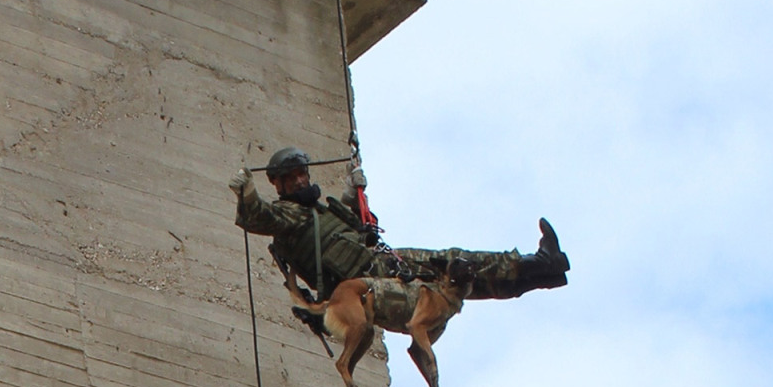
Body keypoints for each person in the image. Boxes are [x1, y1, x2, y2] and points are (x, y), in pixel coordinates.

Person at [229, 147, 569, 300]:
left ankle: (538, 275)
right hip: (367, 276)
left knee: (454, 281)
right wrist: (246, 191)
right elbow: (259, 217)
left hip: (378, 265)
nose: (301, 181)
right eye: (292, 177)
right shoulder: (288, 215)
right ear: (279, 183)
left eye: (303, 173)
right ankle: (538, 266)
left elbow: (347, 223)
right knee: (452, 262)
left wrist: (351, 191)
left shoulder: (316, 211)